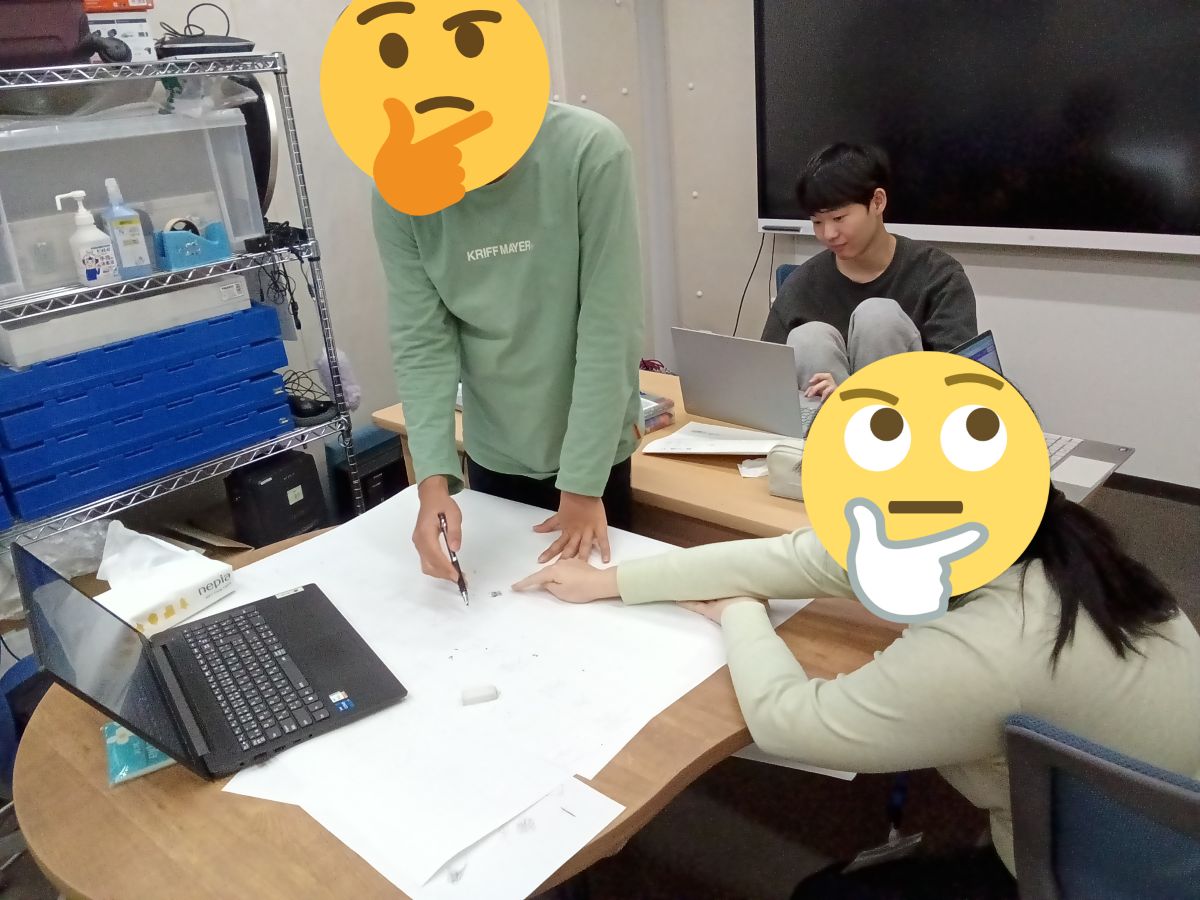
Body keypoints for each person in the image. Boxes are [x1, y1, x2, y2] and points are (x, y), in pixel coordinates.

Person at [512, 486, 1200, 897]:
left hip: (1100, 879)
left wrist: (741, 613)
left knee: (824, 896)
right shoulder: (1055, 543)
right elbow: (798, 558)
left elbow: (790, 721)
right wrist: (613, 582)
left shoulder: (988, 647)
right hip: (1164, 838)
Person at [373, 102, 645, 583]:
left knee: (595, 604)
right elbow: (422, 341)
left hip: (592, 451)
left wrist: (583, 485)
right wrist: (432, 482)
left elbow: (609, 327)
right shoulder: (399, 183)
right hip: (495, 447)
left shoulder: (589, 149)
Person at [762, 143, 978, 405]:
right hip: (826, 424)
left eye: (839, 218)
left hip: (914, 415)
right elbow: (764, 379)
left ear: (877, 201)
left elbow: (962, 380)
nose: (828, 234)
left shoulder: (938, 275)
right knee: (807, 338)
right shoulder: (801, 285)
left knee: (878, 317)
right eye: (817, 222)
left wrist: (856, 391)